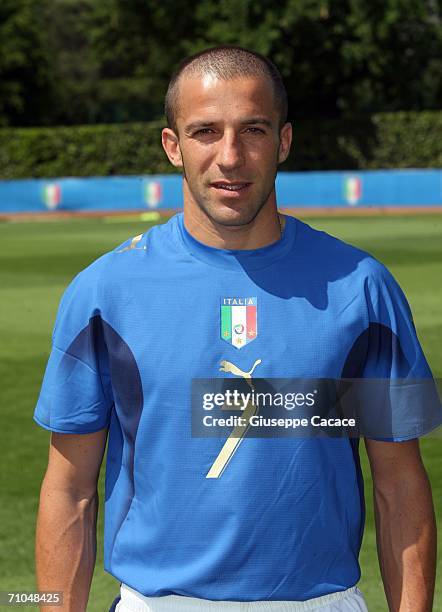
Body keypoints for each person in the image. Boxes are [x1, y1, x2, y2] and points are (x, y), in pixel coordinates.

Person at [34, 46, 440, 612]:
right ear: (172, 145)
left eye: (253, 129)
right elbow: (70, 489)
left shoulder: (364, 287)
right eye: (205, 131)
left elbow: (399, 484)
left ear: (284, 141)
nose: (230, 156)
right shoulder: (104, 292)